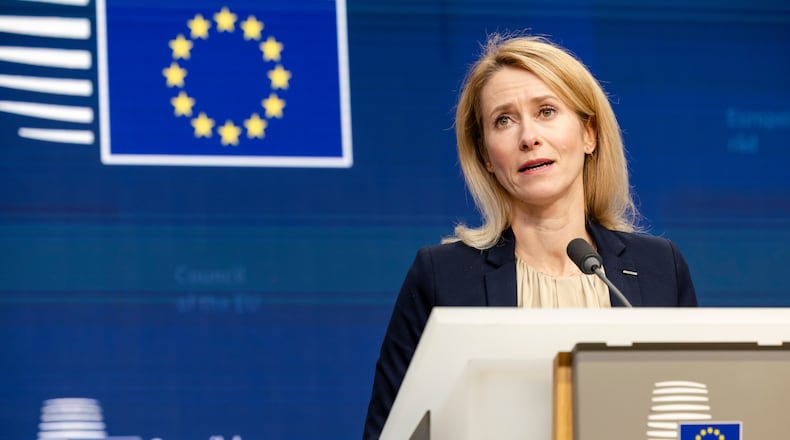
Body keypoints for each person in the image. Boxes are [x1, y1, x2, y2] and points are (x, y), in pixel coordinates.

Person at [362, 33, 697, 439]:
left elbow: (691, 413)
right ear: (486, 155)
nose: (528, 137)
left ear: (588, 134)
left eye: (547, 111)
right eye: (503, 120)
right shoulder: (442, 276)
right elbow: (390, 431)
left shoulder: (659, 267)